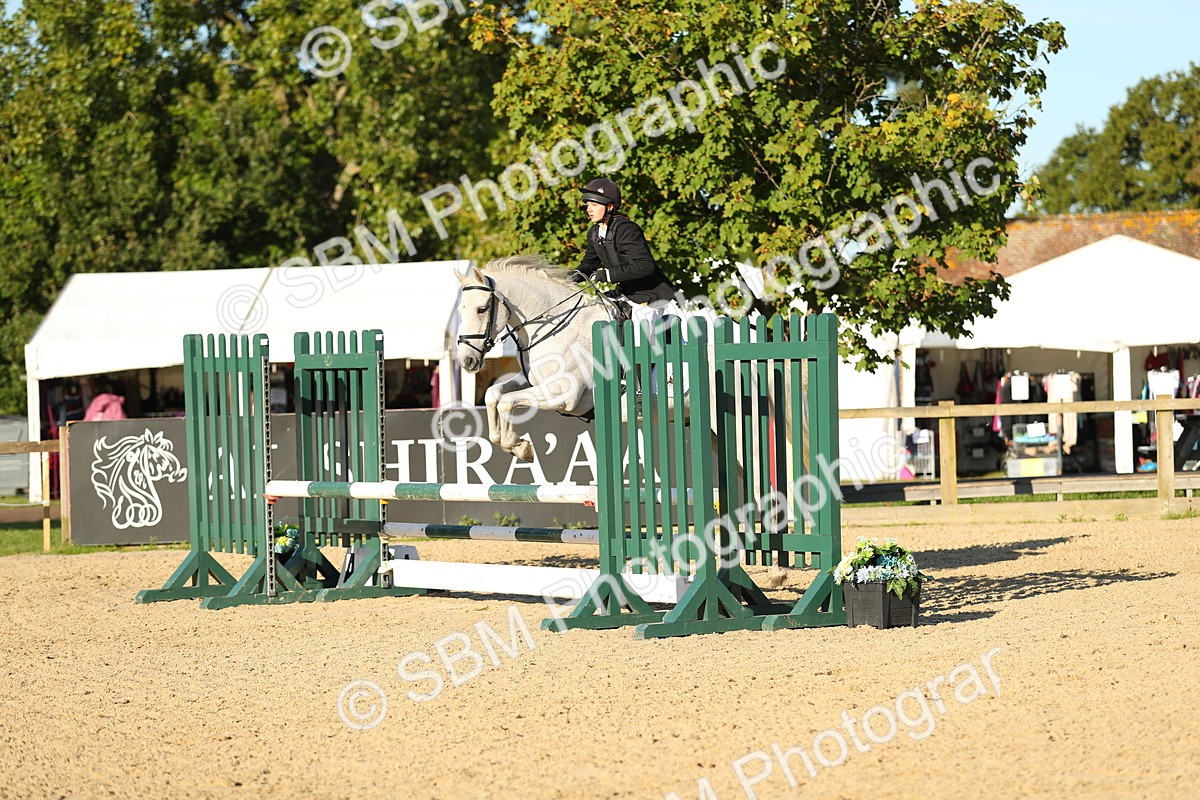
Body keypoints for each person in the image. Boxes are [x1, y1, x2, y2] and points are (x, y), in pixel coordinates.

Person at [571, 178, 678, 312]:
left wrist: (608, 275)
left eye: (594, 205)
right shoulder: (594, 233)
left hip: (653, 296)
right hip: (626, 293)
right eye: (587, 205)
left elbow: (645, 265)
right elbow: (589, 264)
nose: (589, 209)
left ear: (609, 207)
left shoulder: (626, 229)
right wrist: (572, 276)